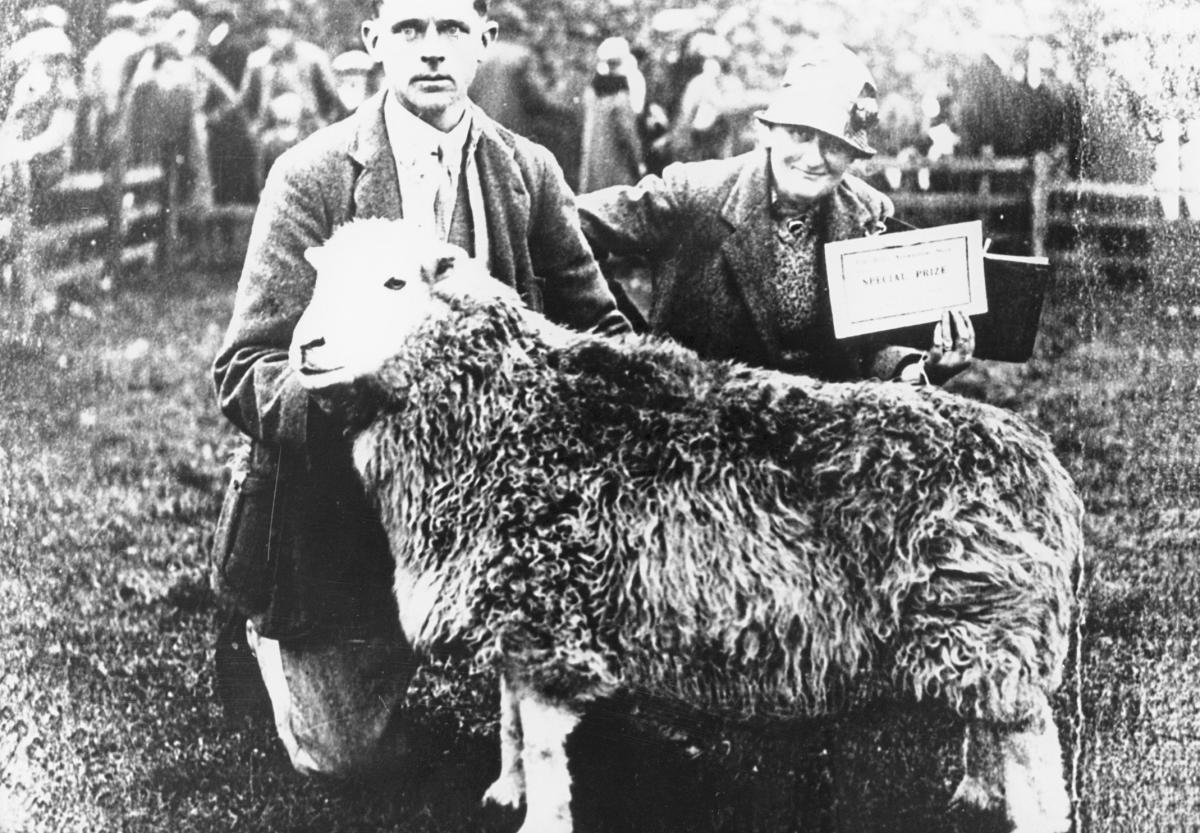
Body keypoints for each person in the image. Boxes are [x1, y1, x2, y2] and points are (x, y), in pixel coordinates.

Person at [211, 0, 632, 777]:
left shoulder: (527, 171)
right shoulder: (312, 174)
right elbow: (246, 368)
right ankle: (271, 632)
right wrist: (361, 400)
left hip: (496, 515)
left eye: (450, 30)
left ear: (484, 42)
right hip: (346, 513)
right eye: (409, 30)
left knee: (611, 721)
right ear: (375, 43)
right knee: (343, 759)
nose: (431, 51)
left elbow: (598, 328)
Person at [578, 43, 975, 385]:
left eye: (834, 144)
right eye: (801, 134)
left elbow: (866, 346)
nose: (814, 159)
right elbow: (572, 227)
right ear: (768, 132)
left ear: (853, 156)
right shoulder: (693, 193)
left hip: (815, 441)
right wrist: (627, 341)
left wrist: (918, 369)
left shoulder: (867, 214)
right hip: (698, 435)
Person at [238, 0, 346, 187]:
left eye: (283, 28)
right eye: (272, 28)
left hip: (308, 132)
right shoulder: (257, 62)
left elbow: (333, 100)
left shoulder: (313, 58)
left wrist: (323, 127)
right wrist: (254, 130)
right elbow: (245, 103)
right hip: (269, 136)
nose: (278, 35)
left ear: (293, 30)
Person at [578, 36, 646, 194]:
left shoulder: (591, 91)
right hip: (616, 169)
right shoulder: (621, 97)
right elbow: (628, 134)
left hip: (592, 166)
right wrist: (639, 163)